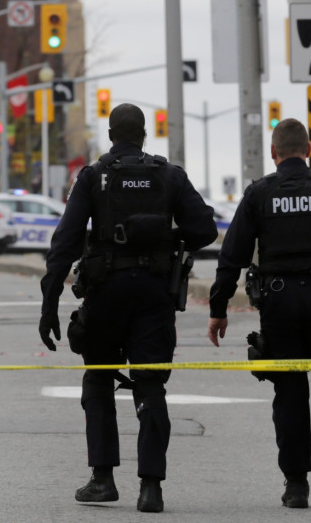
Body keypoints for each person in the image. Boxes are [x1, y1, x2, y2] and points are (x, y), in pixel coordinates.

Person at [39, 103, 218, 513]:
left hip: (105, 293)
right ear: (143, 135)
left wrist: (49, 303)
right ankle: (150, 488)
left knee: (99, 380)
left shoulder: (93, 177)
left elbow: (64, 243)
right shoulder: (168, 174)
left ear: (110, 134)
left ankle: (103, 480)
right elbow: (204, 229)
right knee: (151, 384)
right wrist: (165, 235)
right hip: (153, 294)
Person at [207, 118, 311, 509]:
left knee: (289, 392)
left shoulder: (260, 193)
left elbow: (231, 255)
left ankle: (296, 483)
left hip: (279, 303)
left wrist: (218, 309)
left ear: (273, 152)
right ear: (309, 150)